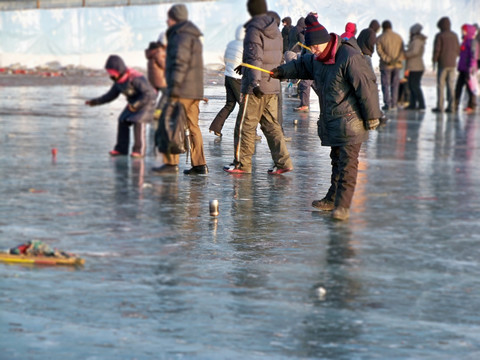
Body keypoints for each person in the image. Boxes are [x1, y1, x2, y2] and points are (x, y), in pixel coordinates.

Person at [271, 14, 382, 221]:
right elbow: (301, 65)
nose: (313, 51)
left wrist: (373, 116)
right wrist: (280, 71)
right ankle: (333, 198)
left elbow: (366, 85)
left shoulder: (348, 55)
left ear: (326, 40)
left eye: (315, 47)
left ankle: (343, 206)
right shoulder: (318, 58)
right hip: (334, 120)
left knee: (348, 165)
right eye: (311, 48)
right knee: (336, 161)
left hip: (351, 121)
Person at [224, 0, 293, 175]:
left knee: (245, 125)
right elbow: (274, 57)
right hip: (271, 85)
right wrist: (246, 65)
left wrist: (254, 83)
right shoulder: (275, 30)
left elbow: (255, 57)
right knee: (271, 126)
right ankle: (283, 162)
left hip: (256, 87)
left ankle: (242, 163)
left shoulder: (254, 30)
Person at [152, 4, 208, 175]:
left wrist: (174, 86)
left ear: (175, 18)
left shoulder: (179, 36)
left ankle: (171, 164)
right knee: (193, 127)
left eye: (168, 18)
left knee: (171, 123)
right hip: (194, 89)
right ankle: (199, 165)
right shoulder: (193, 35)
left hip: (182, 89)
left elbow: (180, 63)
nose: (166, 21)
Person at [86, 55, 156, 158]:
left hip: (147, 103)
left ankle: (139, 150)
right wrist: (95, 102)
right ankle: (121, 149)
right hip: (133, 102)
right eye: (110, 74)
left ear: (119, 71)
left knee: (138, 121)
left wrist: (137, 105)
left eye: (113, 74)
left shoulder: (134, 78)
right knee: (122, 120)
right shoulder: (118, 82)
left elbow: (149, 94)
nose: (111, 76)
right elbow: (110, 96)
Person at [208, 25, 245, 137]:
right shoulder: (245, 45)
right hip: (237, 78)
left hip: (228, 76)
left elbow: (225, 59)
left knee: (230, 104)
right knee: (244, 106)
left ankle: (216, 127)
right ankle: (245, 132)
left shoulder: (231, 44)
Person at [432, 17, 460, 113]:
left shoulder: (440, 35)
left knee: (440, 85)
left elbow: (437, 50)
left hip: (442, 64)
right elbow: (458, 50)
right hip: (452, 64)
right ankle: (451, 107)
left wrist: (434, 60)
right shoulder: (455, 35)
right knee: (451, 85)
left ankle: (440, 106)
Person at [376, 20, 405, 111]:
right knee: (395, 85)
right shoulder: (398, 37)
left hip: (386, 65)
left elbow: (380, 51)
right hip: (397, 65)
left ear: (383, 28)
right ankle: (394, 104)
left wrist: (388, 60)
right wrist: (397, 60)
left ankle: (387, 104)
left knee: (385, 85)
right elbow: (402, 50)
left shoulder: (380, 38)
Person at [454, 24, 478, 114]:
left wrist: (471, 67)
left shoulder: (472, 42)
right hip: (463, 68)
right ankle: (455, 104)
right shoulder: (464, 41)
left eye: (464, 31)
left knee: (470, 87)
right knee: (458, 86)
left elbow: (473, 55)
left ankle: (472, 104)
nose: (462, 32)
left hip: (468, 68)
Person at [144, 34, 167, 129]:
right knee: (167, 93)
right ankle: (158, 111)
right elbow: (164, 64)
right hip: (159, 78)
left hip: (153, 78)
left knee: (154, 95)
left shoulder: (153, 51)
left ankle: (148, 111)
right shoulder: (159, 51)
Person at [404, 23, 427, 110]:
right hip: (414, 66)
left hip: (416, 67)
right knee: (411, 85)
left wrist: (405, 54)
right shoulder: (415, 40)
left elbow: (414, 52)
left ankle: (421, 104)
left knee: (415, 86)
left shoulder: (417, 41)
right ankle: (412, 104)